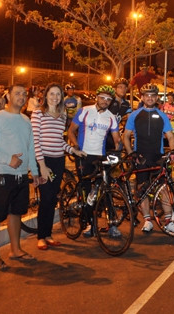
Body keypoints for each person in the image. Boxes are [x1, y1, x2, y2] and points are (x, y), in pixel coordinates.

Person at [0, 84, 40, 270]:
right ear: (8, 96)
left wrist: (35, 172)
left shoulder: (25, 120)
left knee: (16, 212)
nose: (21, 96)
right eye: (17, 93)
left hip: (21, 176)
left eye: (24, 94)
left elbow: (30, 148)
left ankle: (15, 250)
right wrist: (8, 159)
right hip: (1, 174)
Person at [31, 83, 83, 250]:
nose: (55, 97)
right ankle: (41, 236)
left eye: (58, 94)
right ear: (46, 95)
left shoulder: (62, 115)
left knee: (53, 198)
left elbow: (59, 141)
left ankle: (48, 235)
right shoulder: (38, 113)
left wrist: (73, 150)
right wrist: (42, 166)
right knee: (46, 197)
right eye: (52, 94)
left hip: (58, 161)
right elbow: (36, 141)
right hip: (44, 161)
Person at [123, 83, 174, 232]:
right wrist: (131, 153)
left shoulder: (162, 115)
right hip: (141, 156)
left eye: (153, 96)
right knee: (142, 189)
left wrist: (173, 152)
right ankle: (147, 220)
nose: (150, 98)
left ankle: (168, 221)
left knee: (164, 188)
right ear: (142, 97)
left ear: (156, 98)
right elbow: (126, 135)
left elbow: (170, 136)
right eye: (147, 95)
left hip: (157, 156)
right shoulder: (135, 115)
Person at [68, 85, 122, 237]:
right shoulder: (85, 111)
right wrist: (75, 146)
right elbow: (71, 131)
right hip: (84, 155)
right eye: (103, 97)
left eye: (108, 99)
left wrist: (119, 150)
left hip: (101, 157)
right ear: (97, 97)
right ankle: (90, 224)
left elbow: (117, 138)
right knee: (86, 190)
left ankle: (112, 224)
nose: (105, 101)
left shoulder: (111, 117)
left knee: (106, 191)